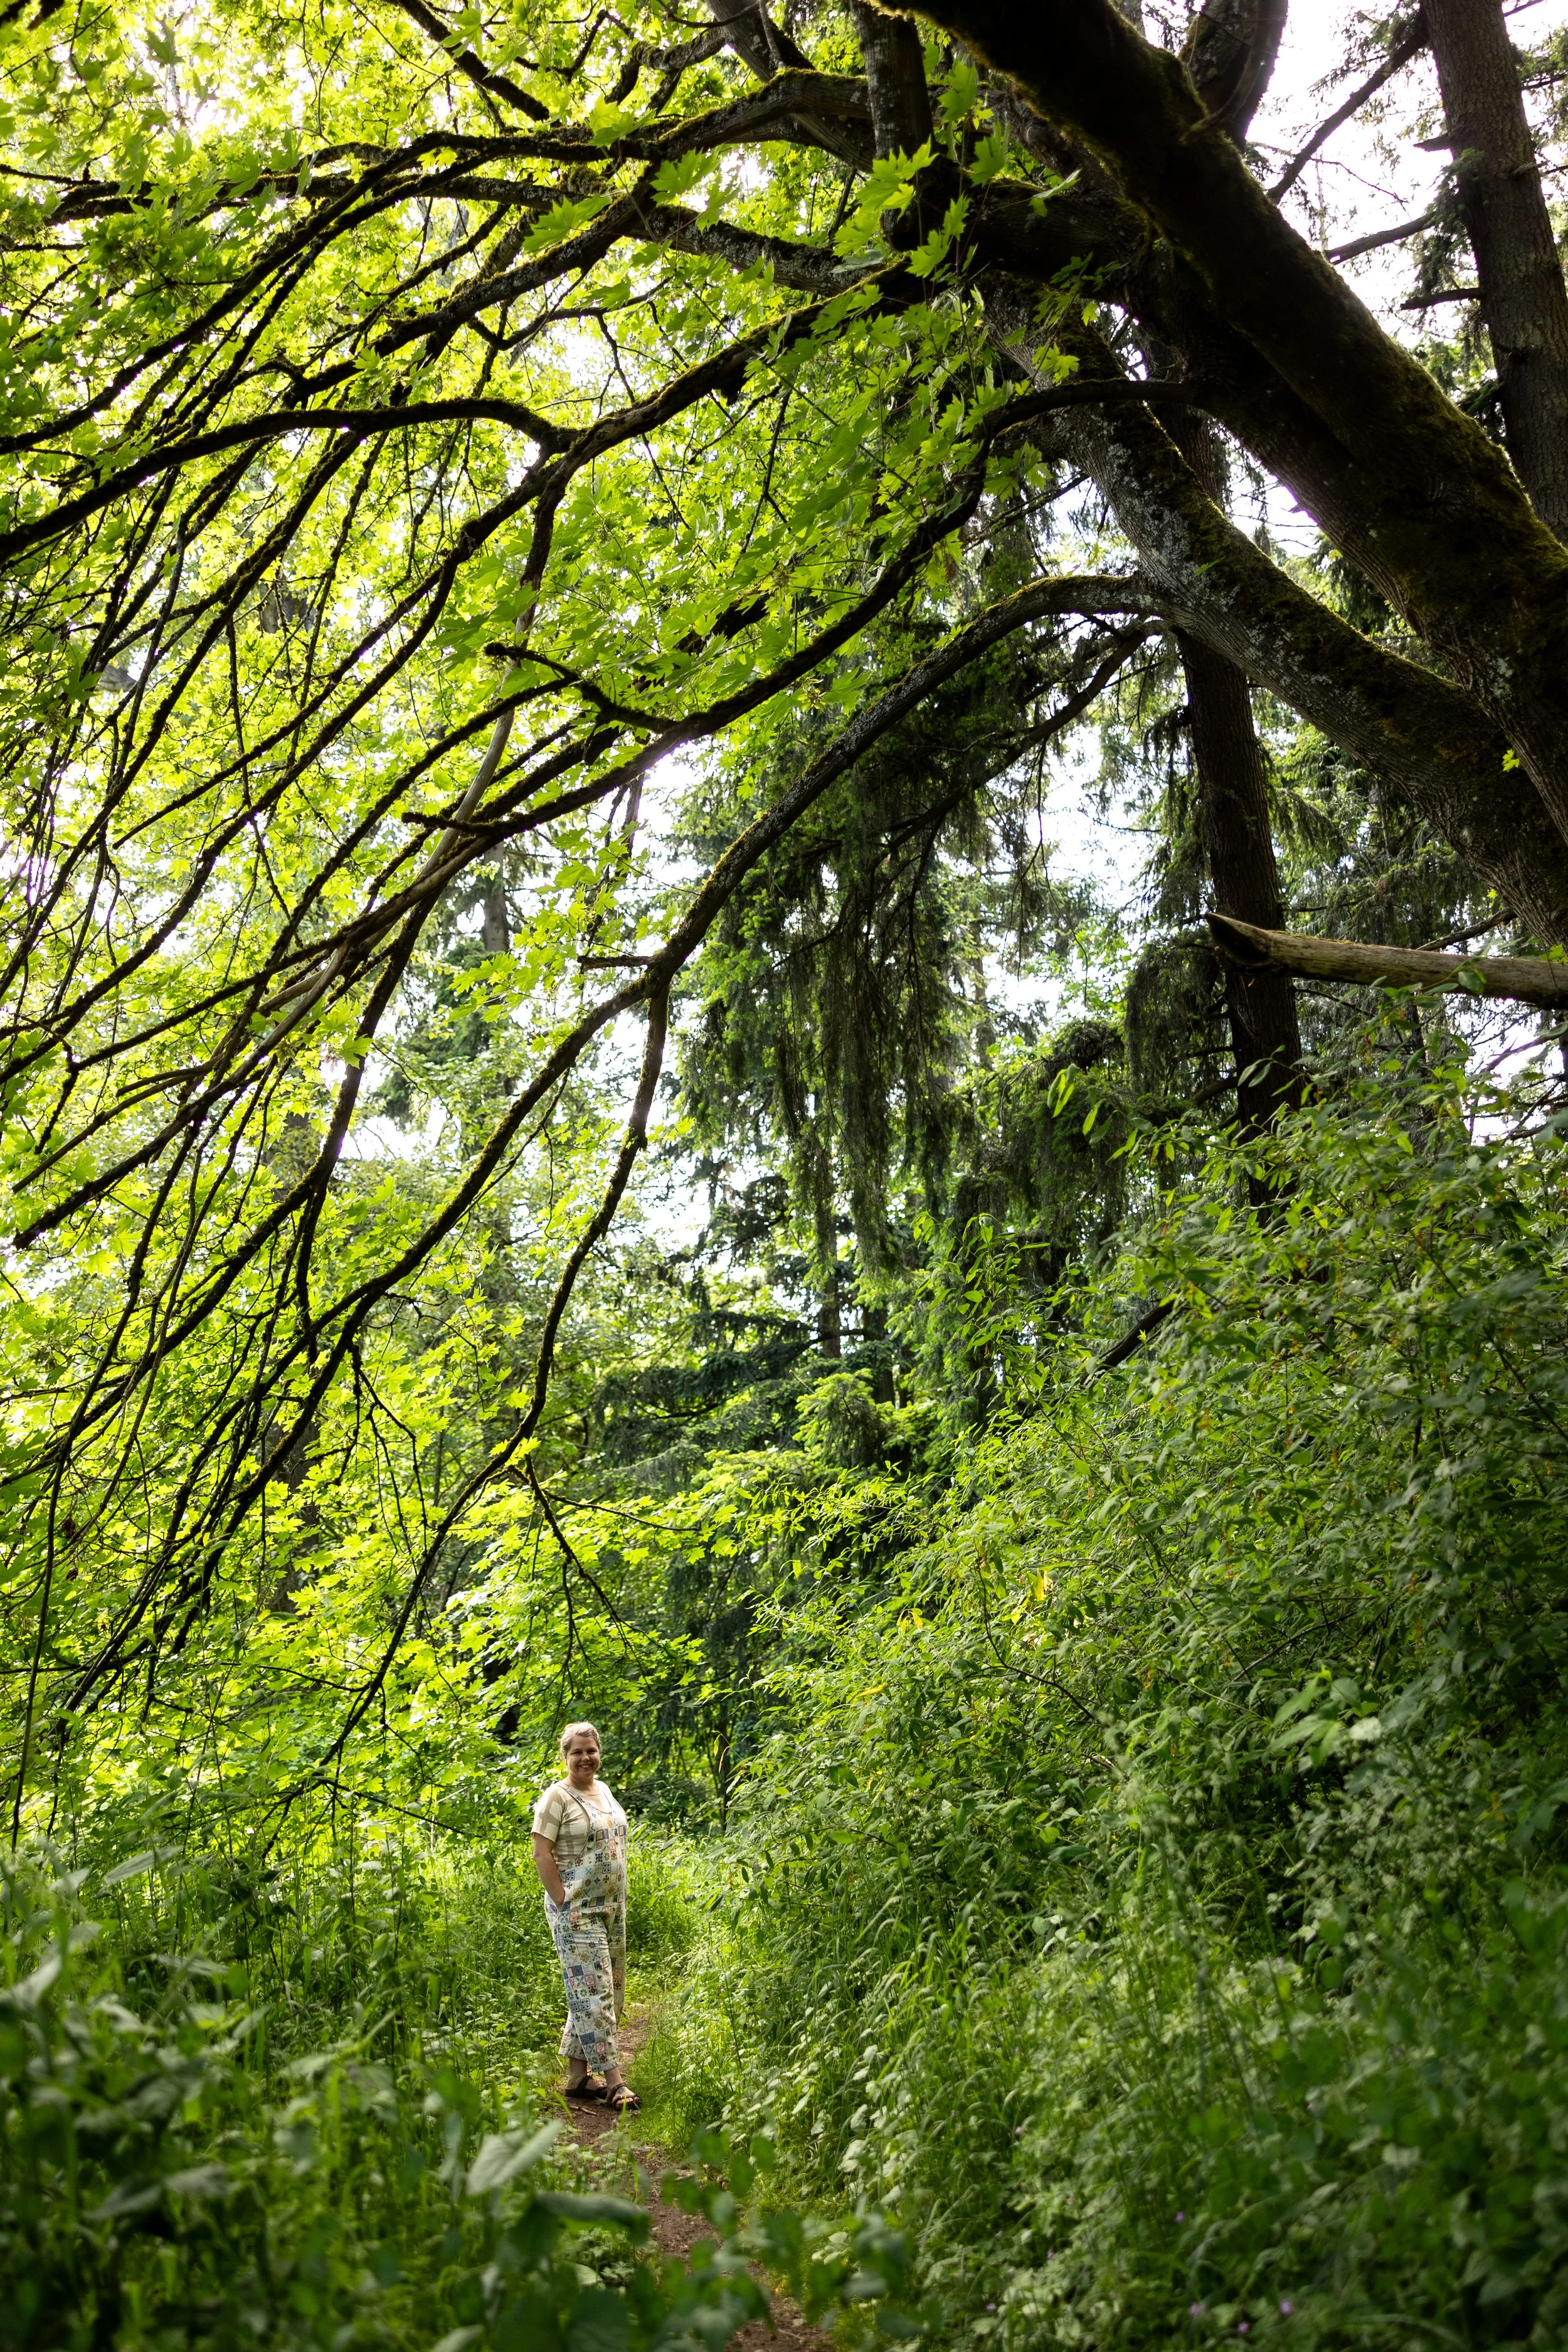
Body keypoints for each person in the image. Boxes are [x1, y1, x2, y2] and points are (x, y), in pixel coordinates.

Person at [531, 1720, 639, 2110]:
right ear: (565, 1756)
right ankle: (614, 2081)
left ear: (599, 1753)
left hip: (611, 1908)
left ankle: (578, 2078)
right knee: (594, 1993)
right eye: (576, 1752)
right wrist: (562, 1900)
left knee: (600, 1988)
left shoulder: (605, 1791)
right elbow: (542, 1853)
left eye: (590, 1750)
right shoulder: (555, 1798)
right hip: (576, 1912)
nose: (585, 1758)